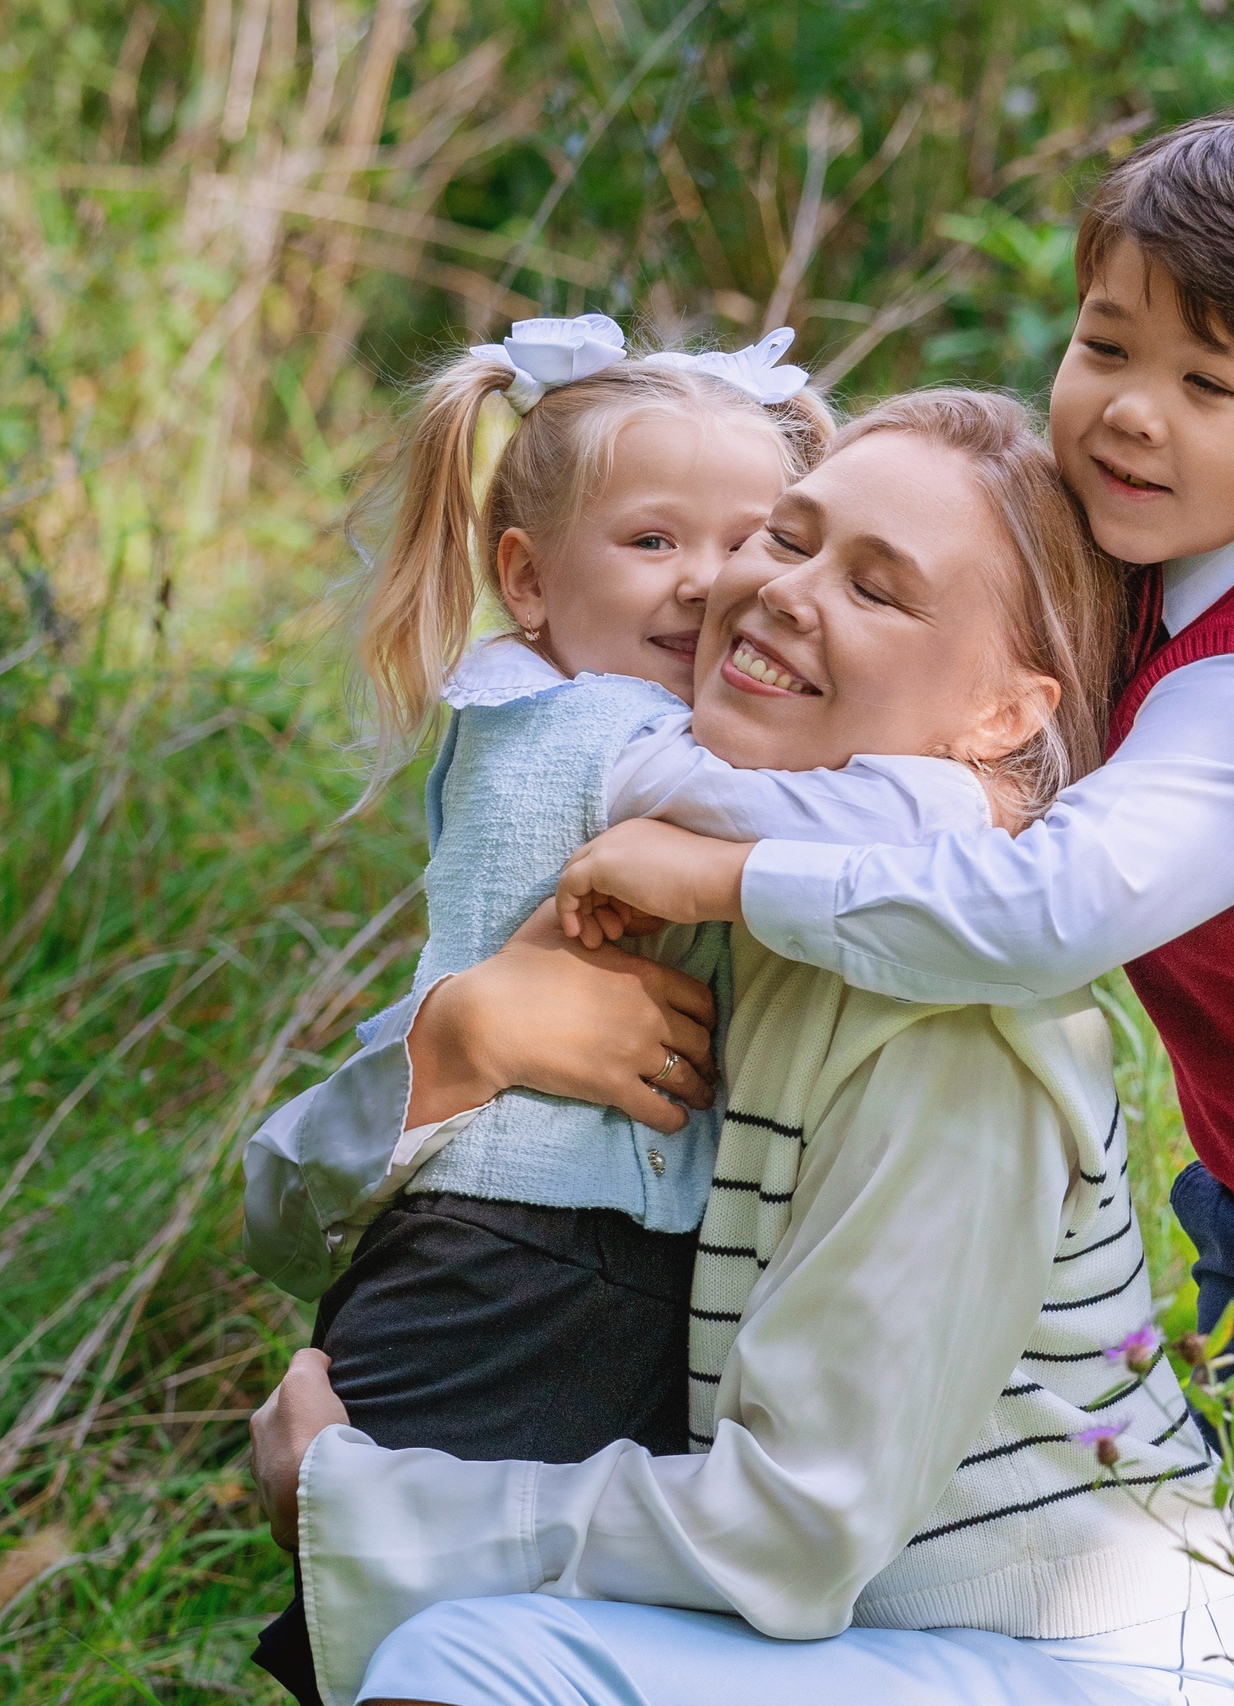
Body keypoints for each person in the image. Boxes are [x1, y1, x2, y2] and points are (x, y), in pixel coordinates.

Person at [541, 110, 1234, 1702]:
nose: (1133, 417)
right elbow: (910, 765)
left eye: (1211, 386)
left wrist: (731, 872)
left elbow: (1039, 911)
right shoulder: (1132, 562)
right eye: (1105, 347)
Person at [250, 392, 1234, 1706]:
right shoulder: (711, 896)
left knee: (468, 1660)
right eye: (788, 540)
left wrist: (362, 1499)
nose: (782, 591)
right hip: (860, 1639)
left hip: (1072, 1666)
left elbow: (791, 1531)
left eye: (878, 588)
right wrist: (456, 1046)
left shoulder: (950, 1036)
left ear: (1004, 715)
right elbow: (282, 1206)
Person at [242, 319, 996, 1702]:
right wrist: (980, 794)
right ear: (525, 578)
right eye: (653, 542)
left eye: (750, 538)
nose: (709, 584)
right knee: (414, 1644)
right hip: (522, 1270)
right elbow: (798, 817)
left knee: (452, 1636)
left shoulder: (536, 711)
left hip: (539, 1260)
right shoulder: (609, 739)